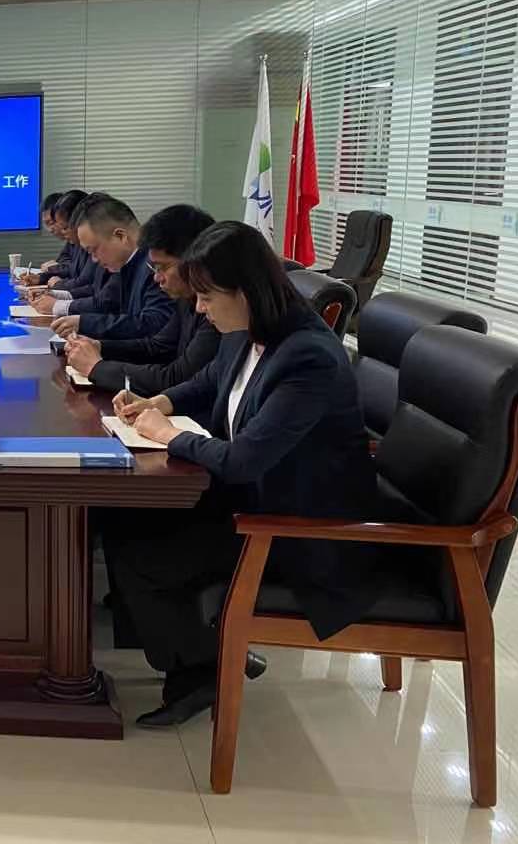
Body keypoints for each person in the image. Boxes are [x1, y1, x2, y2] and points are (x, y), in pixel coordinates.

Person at [103, 221, 386, 728]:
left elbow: (244, 460)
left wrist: (169, 436)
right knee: (124, 520)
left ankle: (202, 671)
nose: (199, 308)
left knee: (146, 557)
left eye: (207, 297)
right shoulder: (252, 331)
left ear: (246, 291)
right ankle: (203, 647)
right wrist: (160, 401)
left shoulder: (307, 357)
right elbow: (211, 378)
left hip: (298, 529)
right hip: (258, 499)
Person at [65, 204, 220, 397]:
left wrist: (97, 368)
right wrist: (101, 347)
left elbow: (177, 377)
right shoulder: (186, 297)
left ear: (194, 261)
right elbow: (157, 347)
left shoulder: (218, 310)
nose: (157, 277)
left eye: (163, 267)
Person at [49, 194, 174, 341]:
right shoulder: (128, 264)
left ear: (120, 236)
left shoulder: (157, 265)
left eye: (93, 250)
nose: (94, 260)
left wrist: (84, 324)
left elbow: (152, 325)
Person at [22, 190, 102, 312]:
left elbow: (93, 289)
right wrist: (52, 291)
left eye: (65, 227)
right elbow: (93, 290)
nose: (61, 231)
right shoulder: (79, 242)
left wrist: (58, 298)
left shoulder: (95, 246)